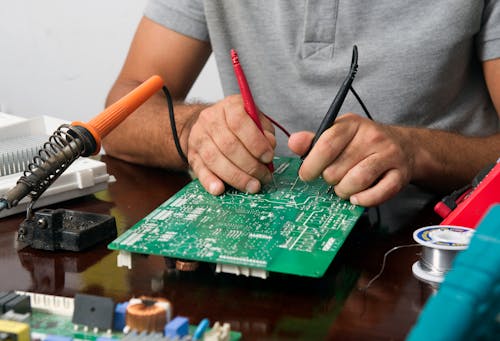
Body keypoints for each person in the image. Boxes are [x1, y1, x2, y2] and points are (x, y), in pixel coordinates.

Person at [103, 1, 500, 208]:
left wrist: (417, 153)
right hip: (256, 226)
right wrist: (194, 133)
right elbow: (119, 117)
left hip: (431, 239)